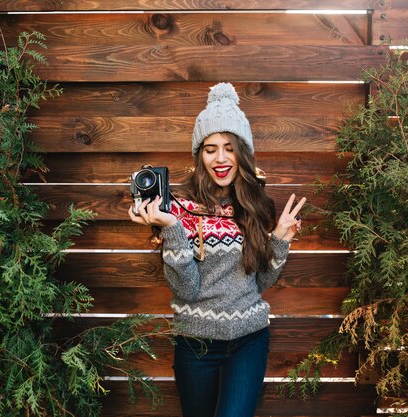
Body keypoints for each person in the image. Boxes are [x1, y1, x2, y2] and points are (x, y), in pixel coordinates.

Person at [128, 82, 305, 417]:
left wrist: (280, 239)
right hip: (195, 344)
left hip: (249, 340)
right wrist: (172, 230)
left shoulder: (255, 204)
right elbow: (187, 289)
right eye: (210, 149)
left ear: (243, 152)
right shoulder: (176, 206)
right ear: (199, 154)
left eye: (229, 147)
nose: (220, 158)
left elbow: (259, 283)